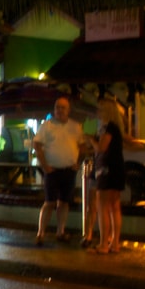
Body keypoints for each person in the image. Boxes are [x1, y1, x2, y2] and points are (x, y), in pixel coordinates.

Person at [32, 97, 85, 245]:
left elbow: (82, 146)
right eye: (57, 107)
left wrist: (78, 163)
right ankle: (41, 232)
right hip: (52, 170)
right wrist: (45, 166)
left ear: (68, 110)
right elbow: (36, 145)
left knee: (64, 202)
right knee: (49, 202)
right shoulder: (47, 126)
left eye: (63, 107)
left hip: (68, 170)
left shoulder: (75, 126)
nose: (60, 110)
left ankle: (60, 231)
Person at [88, 98, 126, 254]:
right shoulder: (116, 128)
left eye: (99, 109)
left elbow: (101, 148)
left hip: (107, 170)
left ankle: (104, 244)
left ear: (106, 111)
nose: (97, 112)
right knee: (114, 207)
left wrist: (90, 139)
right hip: (117, 169)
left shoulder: (108, 128)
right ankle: (114, 243)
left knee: (103, 206)